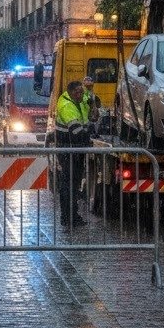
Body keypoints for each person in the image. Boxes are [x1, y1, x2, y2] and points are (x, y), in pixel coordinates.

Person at [54, 79, 92, 227]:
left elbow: (90, 100)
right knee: (69, 185)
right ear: (70, 93)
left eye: (81, 92)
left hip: (75, 150)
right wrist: (89, 134)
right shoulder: (66, 106)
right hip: (67, 150)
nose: (80, 95)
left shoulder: (79, 99)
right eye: (77, 92)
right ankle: (67, 218)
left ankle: (72, 216)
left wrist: (90, 92)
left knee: (74, 185)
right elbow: (76, 131)